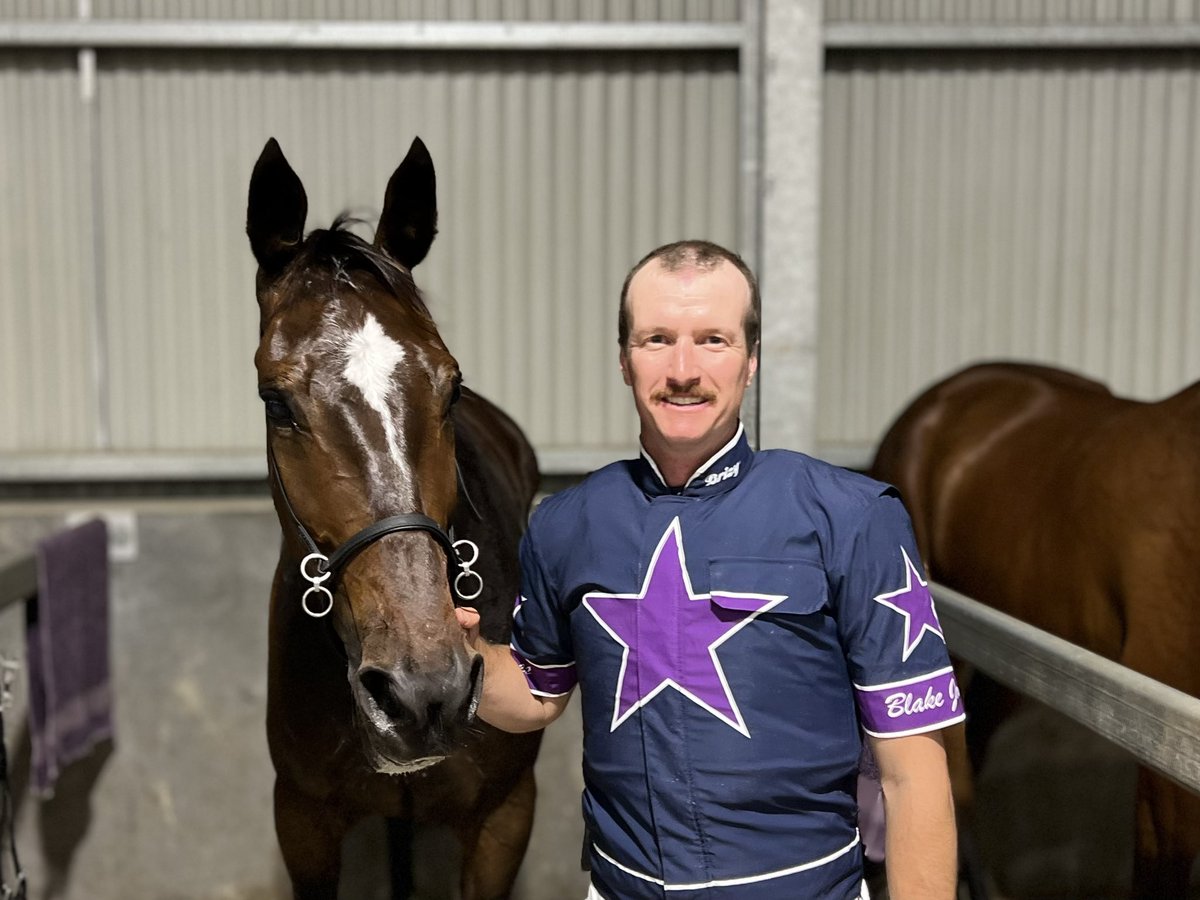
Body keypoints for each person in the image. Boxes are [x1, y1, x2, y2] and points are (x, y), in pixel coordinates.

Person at [455, 239, 963, 900]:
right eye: (657, 339)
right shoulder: (565, 524)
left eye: (714, 340)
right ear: (623, 360)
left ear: (752, 361)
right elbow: (535, 693)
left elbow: (913, 771)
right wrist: (459, 652)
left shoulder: (854, 517)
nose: (684, 368)